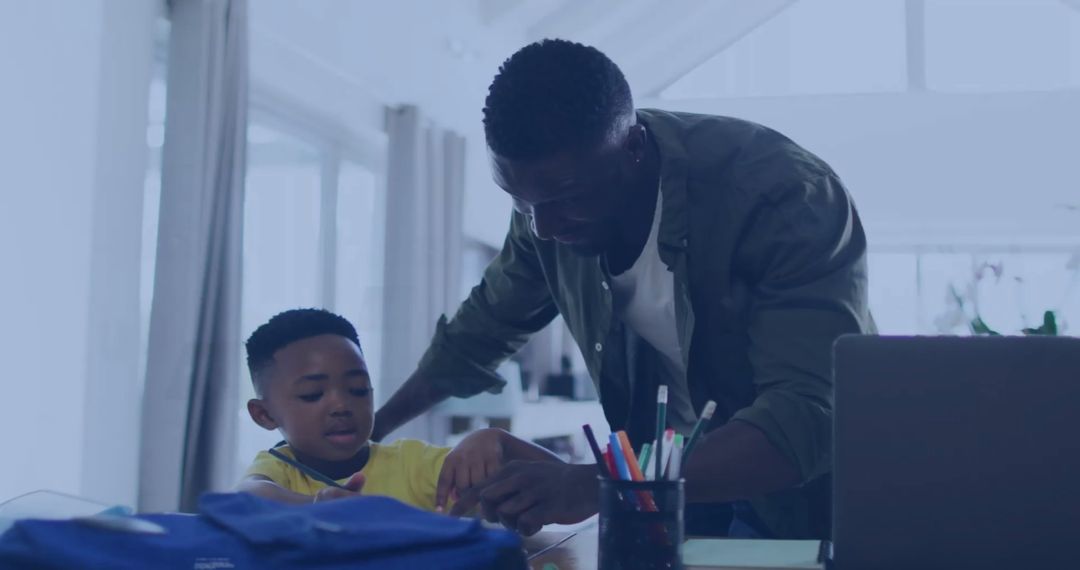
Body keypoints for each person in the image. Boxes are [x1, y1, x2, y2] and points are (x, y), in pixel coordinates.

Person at [372, 39, 875, 538]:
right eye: (520, 202)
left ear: (633, 147)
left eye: (566, 198)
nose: (543, 228)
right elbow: (479, 332)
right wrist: (370, 432)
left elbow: (803, 415)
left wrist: (597, 485)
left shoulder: (784, 197)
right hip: (668, 488)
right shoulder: (546, 208)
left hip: (805, 497)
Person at [237, 308, 561, 509]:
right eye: (312, 394)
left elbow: (560, 485)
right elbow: (248, 498)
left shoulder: (413, 464)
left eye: (358, 390)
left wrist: (501, 441)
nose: (341, 405)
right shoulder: (278, 469)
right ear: (264, 415)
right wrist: (314, 505)